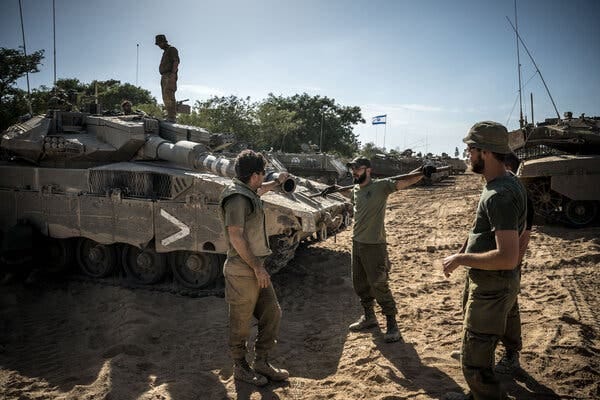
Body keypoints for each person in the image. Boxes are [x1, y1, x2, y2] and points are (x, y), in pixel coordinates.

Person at [442, 121, 527, 400]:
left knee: (475, 361)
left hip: (492, 287)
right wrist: (466, 248)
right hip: (492, 281)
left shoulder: (500, 194)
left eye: (470, 150)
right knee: (481, 347)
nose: (467, 155)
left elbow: (506, 256)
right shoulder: (503, 181)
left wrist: (460, 257)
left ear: (486, 152)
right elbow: (490, 230)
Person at [219, 149, 290, 386]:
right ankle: (240, 366)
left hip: (255, 267)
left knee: (272, 311)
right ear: (255, 175)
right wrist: (258, 268)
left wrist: (277, 181)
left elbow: (260, 191)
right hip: (242, 269)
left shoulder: (247, 191)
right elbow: (236, 236)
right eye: (263, 174)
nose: (263, 178)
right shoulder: (237, 199)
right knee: (240, 322)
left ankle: (262, 361)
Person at [344, 157, 424, 343]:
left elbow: (405, 181)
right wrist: (331, 191)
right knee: (359, 283)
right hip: (357, 243)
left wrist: (422, 172)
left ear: (368, 170)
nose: (354, 172)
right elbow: (350, 195)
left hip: (374, 246)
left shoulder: (381, 187)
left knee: (379, 284)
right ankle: (369, 318)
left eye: (357, 168)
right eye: (352, 169)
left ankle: (392, 324)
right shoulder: (356, 190)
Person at [495, 152, 534, 375]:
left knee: (508, 309)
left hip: (506, 264)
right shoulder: (501, 190)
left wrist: (512, 265)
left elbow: (525, 234)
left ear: (507, 166)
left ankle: (511, 354)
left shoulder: (520, 195)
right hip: (494, 261)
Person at [155, 34, 179, 122]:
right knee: (165, 96)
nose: (159, 46)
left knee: (169, 94)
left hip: (169, 75)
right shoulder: (165, 52)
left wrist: (173, 74)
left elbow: (176, 61)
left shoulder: (171, 49)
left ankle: (172, 117)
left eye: (159, 43)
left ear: (164, 42)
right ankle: (169, 115)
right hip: (164, 75)